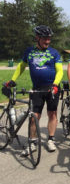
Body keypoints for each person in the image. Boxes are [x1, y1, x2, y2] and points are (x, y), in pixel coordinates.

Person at [5, 25, 63, 153]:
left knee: (52, 113)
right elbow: (21, 66)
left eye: (49, 38)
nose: (47, 41)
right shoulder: (29, 51)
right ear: (37, 37)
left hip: (52, 88)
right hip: (37, 88)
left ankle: (51, 139)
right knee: (34, 116)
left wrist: (55, 84)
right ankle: (32, 142)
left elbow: (59, 71)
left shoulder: (54, 52)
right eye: (44, 38)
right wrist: (13, 80)